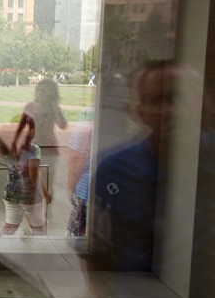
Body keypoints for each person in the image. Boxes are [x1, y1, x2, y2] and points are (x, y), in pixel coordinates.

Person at [93, 60, 183, 271]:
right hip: (135, 296)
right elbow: (100, 252)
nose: (176, 110)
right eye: (160, 100)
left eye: (183, 97)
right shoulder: (113, 170)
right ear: (141, 112)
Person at [0, 113, 52, 235]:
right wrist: (45, 194)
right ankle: (37, 252)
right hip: (30, 196)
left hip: (11, 193)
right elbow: (33, 176)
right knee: (38, 229)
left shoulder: (7, 147)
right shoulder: (34, 149)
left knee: (10, 226)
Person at [66, 107, 94, 237]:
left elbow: (77, 156)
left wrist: (70, 186)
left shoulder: (90, 112)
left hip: (87, 191)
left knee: (78, 244)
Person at [23, 78, 68, 147]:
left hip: (49, 145)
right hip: (33, 143)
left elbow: (63, 125)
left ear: (52, 94)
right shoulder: (30, 106)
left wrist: (55, 108)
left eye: (43, 91)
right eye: (38, 89)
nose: (39, 93)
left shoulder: (54, 108)